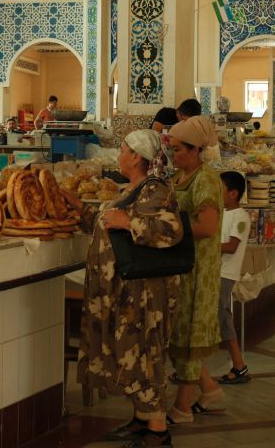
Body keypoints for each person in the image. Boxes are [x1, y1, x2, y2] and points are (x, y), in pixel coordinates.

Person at [63, 130, 182, 446]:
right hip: (124, 292)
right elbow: (110, 225)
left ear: (137, 157)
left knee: (144, 354)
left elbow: (170, 230)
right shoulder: (132, 190)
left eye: (123, 150)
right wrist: (81, 209)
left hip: (144, 294)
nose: (119, 156)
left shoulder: (156, 189)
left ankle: (158, 430)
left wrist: (128, 222)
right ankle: (141, 419)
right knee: (129, 354)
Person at [166, 115, 224, 424]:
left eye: (177, 149)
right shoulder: (179, 178)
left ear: (194, 150)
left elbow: (207, 226)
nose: (173, 155)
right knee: (179, 335)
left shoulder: (206, 180)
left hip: (198, 270)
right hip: (181, 267)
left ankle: (182, 408)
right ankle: (210, 391)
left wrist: (167, 225)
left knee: (189, 337)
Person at [215, 171, 251, 386]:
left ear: (233, 193)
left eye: (218, 188)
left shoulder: (240, 217)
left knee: (222, 319)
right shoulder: (222, 213)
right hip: (214, 272)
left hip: (225, 274)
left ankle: (239, 366)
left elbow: (231, 246)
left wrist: (205, 245)